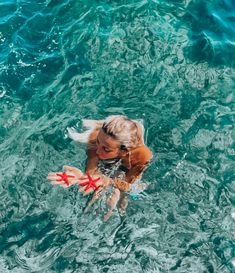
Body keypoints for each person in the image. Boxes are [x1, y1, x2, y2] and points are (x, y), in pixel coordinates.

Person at [48, 115, 152, 220]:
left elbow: (130, 187)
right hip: (100, 137)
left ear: (124, 151)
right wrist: (80, 178)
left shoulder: (142, 156)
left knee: (121, 199)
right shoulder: (96, 139)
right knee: (103, 190)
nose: (98, 151)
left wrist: (109, 182)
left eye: (106, 149)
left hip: (130, 158)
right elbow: (92, 173)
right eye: (98, 142)